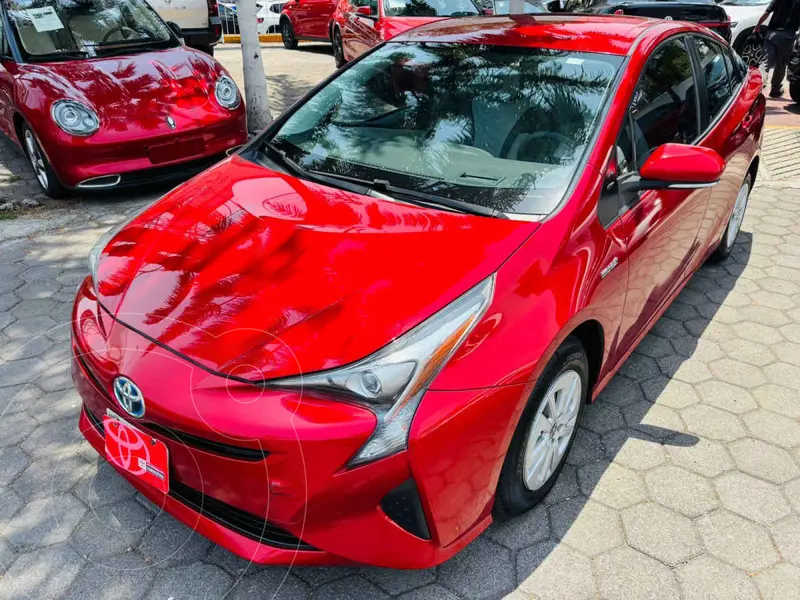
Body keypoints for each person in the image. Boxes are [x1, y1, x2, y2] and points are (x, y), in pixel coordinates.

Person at [755, 0, 800, 97]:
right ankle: (775, 89)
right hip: (787, 36)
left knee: (765, 62)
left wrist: (757, 26)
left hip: (771, 34)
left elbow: (767, 13)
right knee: (781, 63)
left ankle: (758, 86)